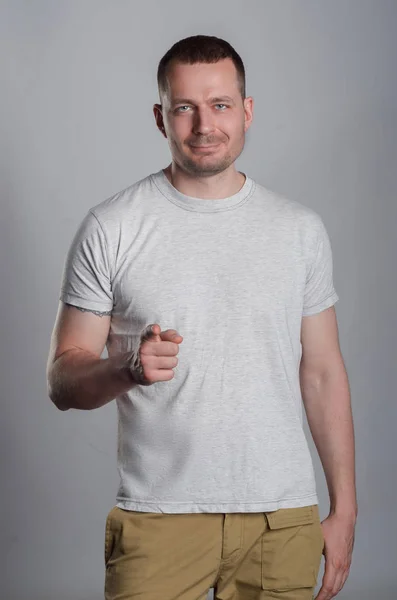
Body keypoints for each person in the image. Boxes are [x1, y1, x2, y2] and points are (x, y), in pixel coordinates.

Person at [46, 35, 357, 600]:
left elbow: (323, 374)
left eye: (220, 105)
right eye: (184, 107)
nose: (203, 124)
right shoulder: (111, 226)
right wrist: (126, 368)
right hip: (159, 518)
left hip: (281, 521)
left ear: (248, 112)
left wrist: (345, 510)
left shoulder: (299, 230)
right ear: (160, 117)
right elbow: (62, 381)